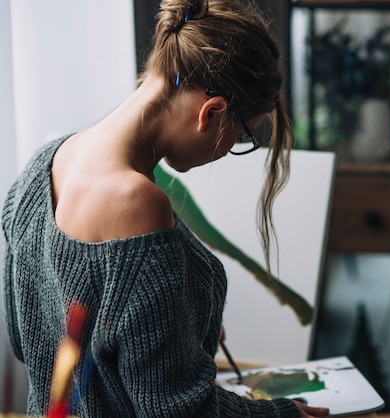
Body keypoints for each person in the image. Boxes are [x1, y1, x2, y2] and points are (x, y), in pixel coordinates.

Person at [1, 0, 329, 417]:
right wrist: (285, 415)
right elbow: (176, 412)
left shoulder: (42, 165)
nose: (231, 149)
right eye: (243, 135)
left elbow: (26, 337)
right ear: (211, 113)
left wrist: (170, 330)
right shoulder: (137, 204)